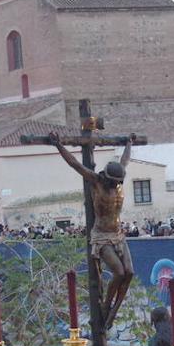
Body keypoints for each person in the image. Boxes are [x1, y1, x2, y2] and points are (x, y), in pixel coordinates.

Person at [49, 129, 136, 327]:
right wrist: (59, 145)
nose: (116, 186)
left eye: (118, 183)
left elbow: (125, 160)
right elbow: (75, 164)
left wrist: (129, 143)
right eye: (113, 183)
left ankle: (113, 311)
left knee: (130, 272)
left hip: (118, 234)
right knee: (119, 273)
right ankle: (106, 307)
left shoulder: (118, 176)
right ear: (106, 178)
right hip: (102, 236)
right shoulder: (96, 182)